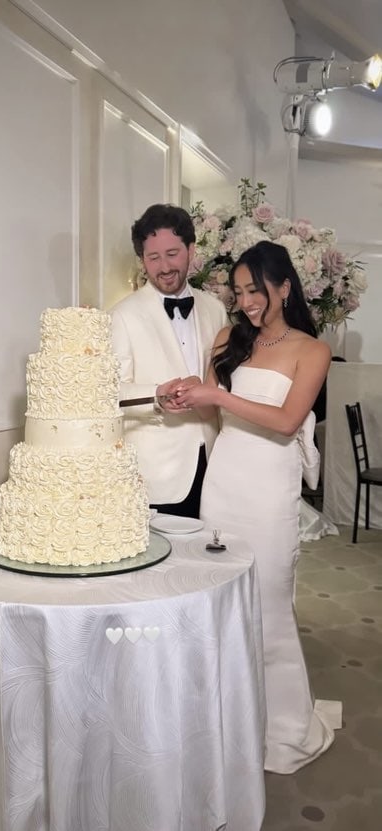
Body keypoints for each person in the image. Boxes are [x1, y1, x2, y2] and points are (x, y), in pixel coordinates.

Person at [165, 240, 341, 774]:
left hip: (268, 492)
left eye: (255, 290)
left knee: (266, 606)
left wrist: (216, 396)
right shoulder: (227, 338)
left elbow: (287, 422)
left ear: (284, 287)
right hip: (225, 482)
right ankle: (224, 721)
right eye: (239, 292)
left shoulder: (312, 351)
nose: (246, 302)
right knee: (221, 604)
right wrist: (184, 393)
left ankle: (283, 726)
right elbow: (213, 405)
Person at [110, 203, 227, 518]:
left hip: (215, 464)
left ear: (191, 250)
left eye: (173, 254)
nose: (163, 267)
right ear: (142, 260)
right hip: (157, 474)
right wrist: (156, 396)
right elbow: (109, 394)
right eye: (153, 257)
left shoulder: (215, 309)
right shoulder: (121, 316)